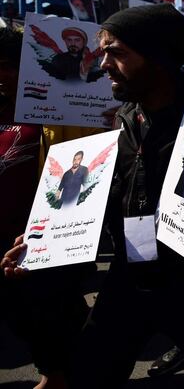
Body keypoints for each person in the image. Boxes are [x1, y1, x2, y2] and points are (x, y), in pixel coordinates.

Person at [5, 4, 184, 387]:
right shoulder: (123, 116)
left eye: (117, 52)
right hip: (128, 276)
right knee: (90, 372)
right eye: (104, 51)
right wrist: (43, 239)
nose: (104, 63)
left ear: (157, 57)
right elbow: (99, 193)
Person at [1, 25, 90, 389]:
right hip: (2, 230)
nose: (3, 75)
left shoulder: (58, 107)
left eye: (8, 65)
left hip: (40, 231)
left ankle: (55, 374)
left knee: (43, 307)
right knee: (15, 311)